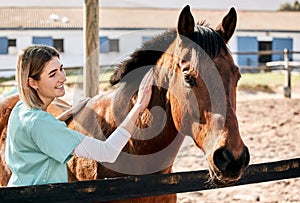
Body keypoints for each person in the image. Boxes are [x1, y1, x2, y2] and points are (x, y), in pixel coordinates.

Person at [5, 45, 153, 187]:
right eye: (52, 74)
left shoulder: (21, 108)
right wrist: (139, 107)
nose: (63, 77)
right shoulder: (40, 123)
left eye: (61, 69)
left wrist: (67, 113)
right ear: (32, 82)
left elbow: (36, 136)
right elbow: (107, 152)